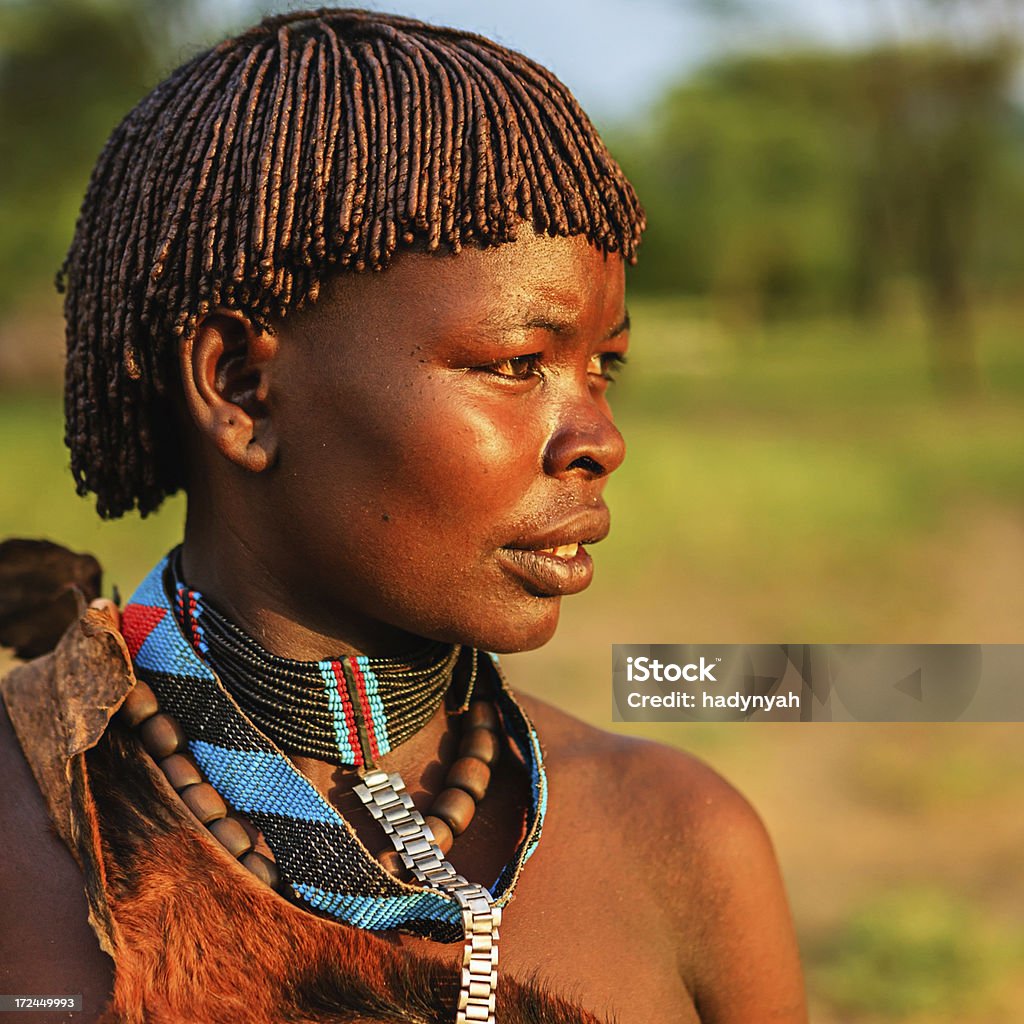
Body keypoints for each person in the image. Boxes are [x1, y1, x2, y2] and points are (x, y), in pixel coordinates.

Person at [0, 9, 807, 1023]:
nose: (599, 436)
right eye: (518, 364)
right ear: (241, 388)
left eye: (604, 366)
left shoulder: (679, 839)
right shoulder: (23, 826)